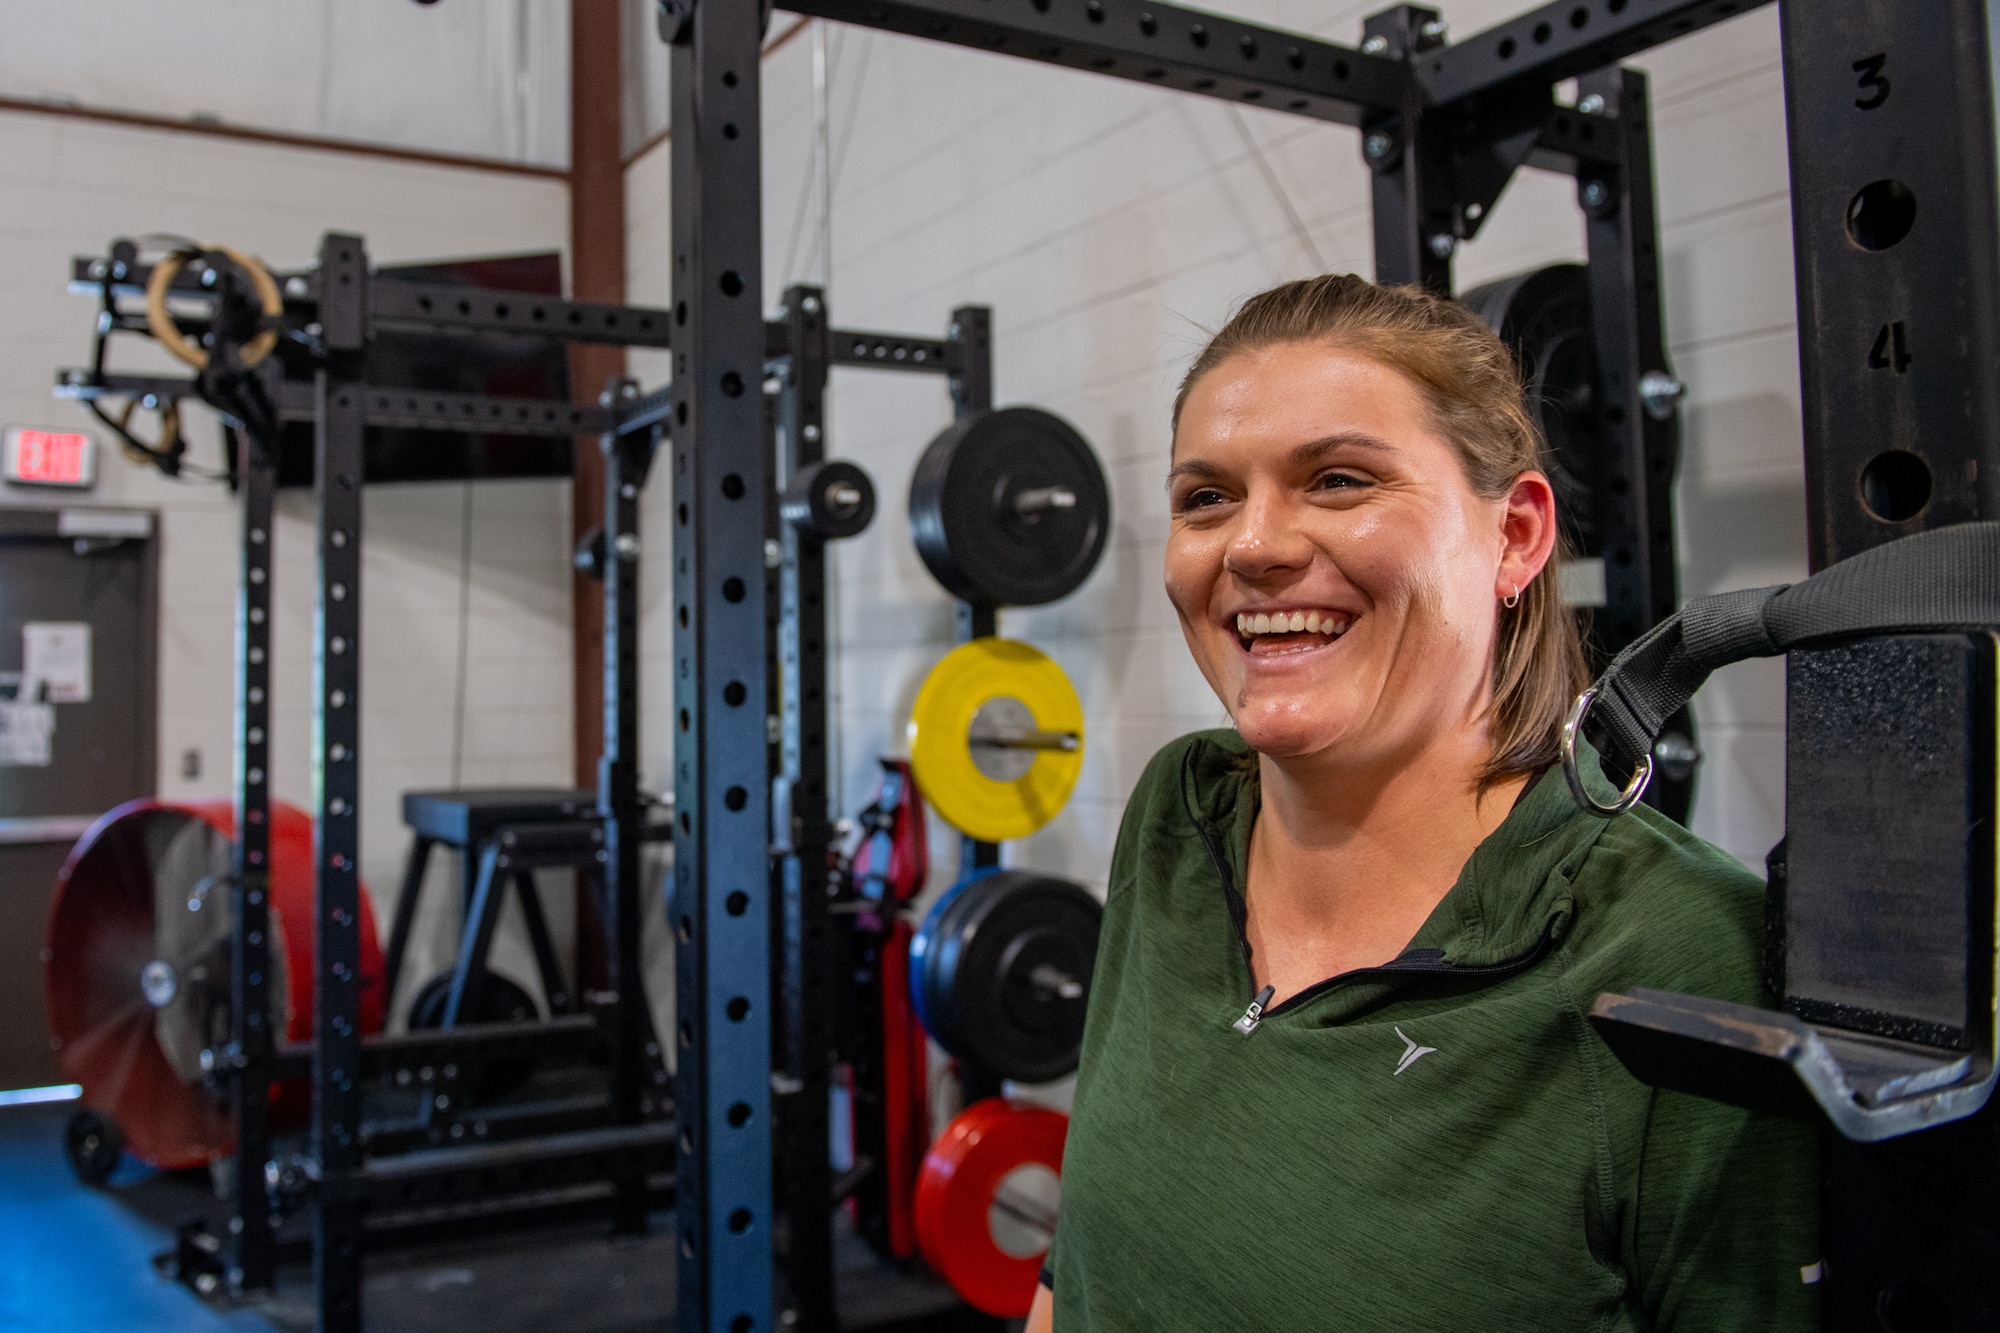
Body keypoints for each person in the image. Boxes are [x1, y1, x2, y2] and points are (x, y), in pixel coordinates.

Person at [1026, 275, 1818, 1331]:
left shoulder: (1681, 951)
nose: (1252, 545)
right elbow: (1082, 1266)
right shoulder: (1177, 814)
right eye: (1205, 497)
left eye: (1340, 480)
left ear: (1516, 537)